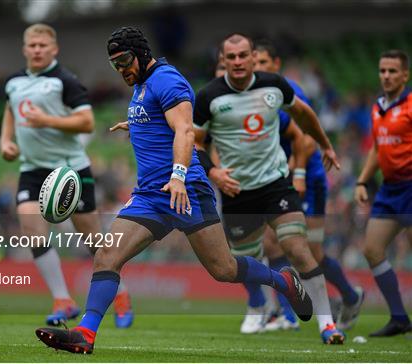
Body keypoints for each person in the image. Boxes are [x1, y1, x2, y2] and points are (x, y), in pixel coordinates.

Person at [34, 26, 313, 354]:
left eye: (124, 60)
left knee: (224, 269)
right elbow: (161, 122)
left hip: (187, 190)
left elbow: (184, 130)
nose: (121, 68)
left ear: (140, 54)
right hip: (150, 196)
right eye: (114, 64)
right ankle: (86, 333)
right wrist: (136, 125)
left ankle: (284, 282)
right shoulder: (141, 85)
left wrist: (179, 176)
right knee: (107, 255)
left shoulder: (167, 79)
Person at [193, 33, 345, 344]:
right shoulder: (209, 97)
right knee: (243, 263)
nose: (237, 62)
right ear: (223, 61)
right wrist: (215, 173)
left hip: (276, 185)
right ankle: (271, 301)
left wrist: (326, 146)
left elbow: (303, 115)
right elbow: (193, 142)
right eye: (230, 57)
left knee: (297, 248)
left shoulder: (274, 85)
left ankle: (327, 326)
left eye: (243, 56)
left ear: (252, 58)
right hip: (237, 193)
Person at [0, 24, 133, 328]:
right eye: (31, 45)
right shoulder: (14, 82)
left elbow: (86, 122)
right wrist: (5, 141)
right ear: (24, 48)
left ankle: (121, 293)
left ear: (54, 49)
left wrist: (45, 119)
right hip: (32, 168)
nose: (36, 50)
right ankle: (63, 299)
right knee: (31, 229)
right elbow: (11, 110)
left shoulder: (65, 81)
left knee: (92, 239)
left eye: (42, 45)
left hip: (69, 170)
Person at [252, 40, 364, 333]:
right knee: (270, 242)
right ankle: (288, 313)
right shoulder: (253, 94)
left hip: (310, 179)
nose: (258, 68)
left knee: (310, 251)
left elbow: (306, 138)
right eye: (256, 63)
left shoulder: (289, 90)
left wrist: (298, 171)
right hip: (283, 178)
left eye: (264, 63)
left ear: (276, 64)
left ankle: (350, 297)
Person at [355, 49, 412, 337]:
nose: (386, 76)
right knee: (372, 249)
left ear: (405, 75)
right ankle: (399, 318)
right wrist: (362, 182)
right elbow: (378, 149)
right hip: (390, 189)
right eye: (382, 71)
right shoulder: (378, 107)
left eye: (392, 71)